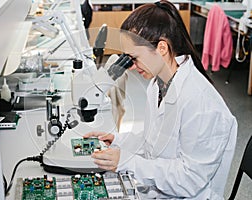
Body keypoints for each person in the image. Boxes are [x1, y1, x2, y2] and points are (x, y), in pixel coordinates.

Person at [84, 0, 238, 199]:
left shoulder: (200, 102)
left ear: (162, 48)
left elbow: (190, 180)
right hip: (161, 190)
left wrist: (127, 161)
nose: (131, 66)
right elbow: (151, 140)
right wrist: (118, 141)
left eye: (135, 58)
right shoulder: (158, 84)